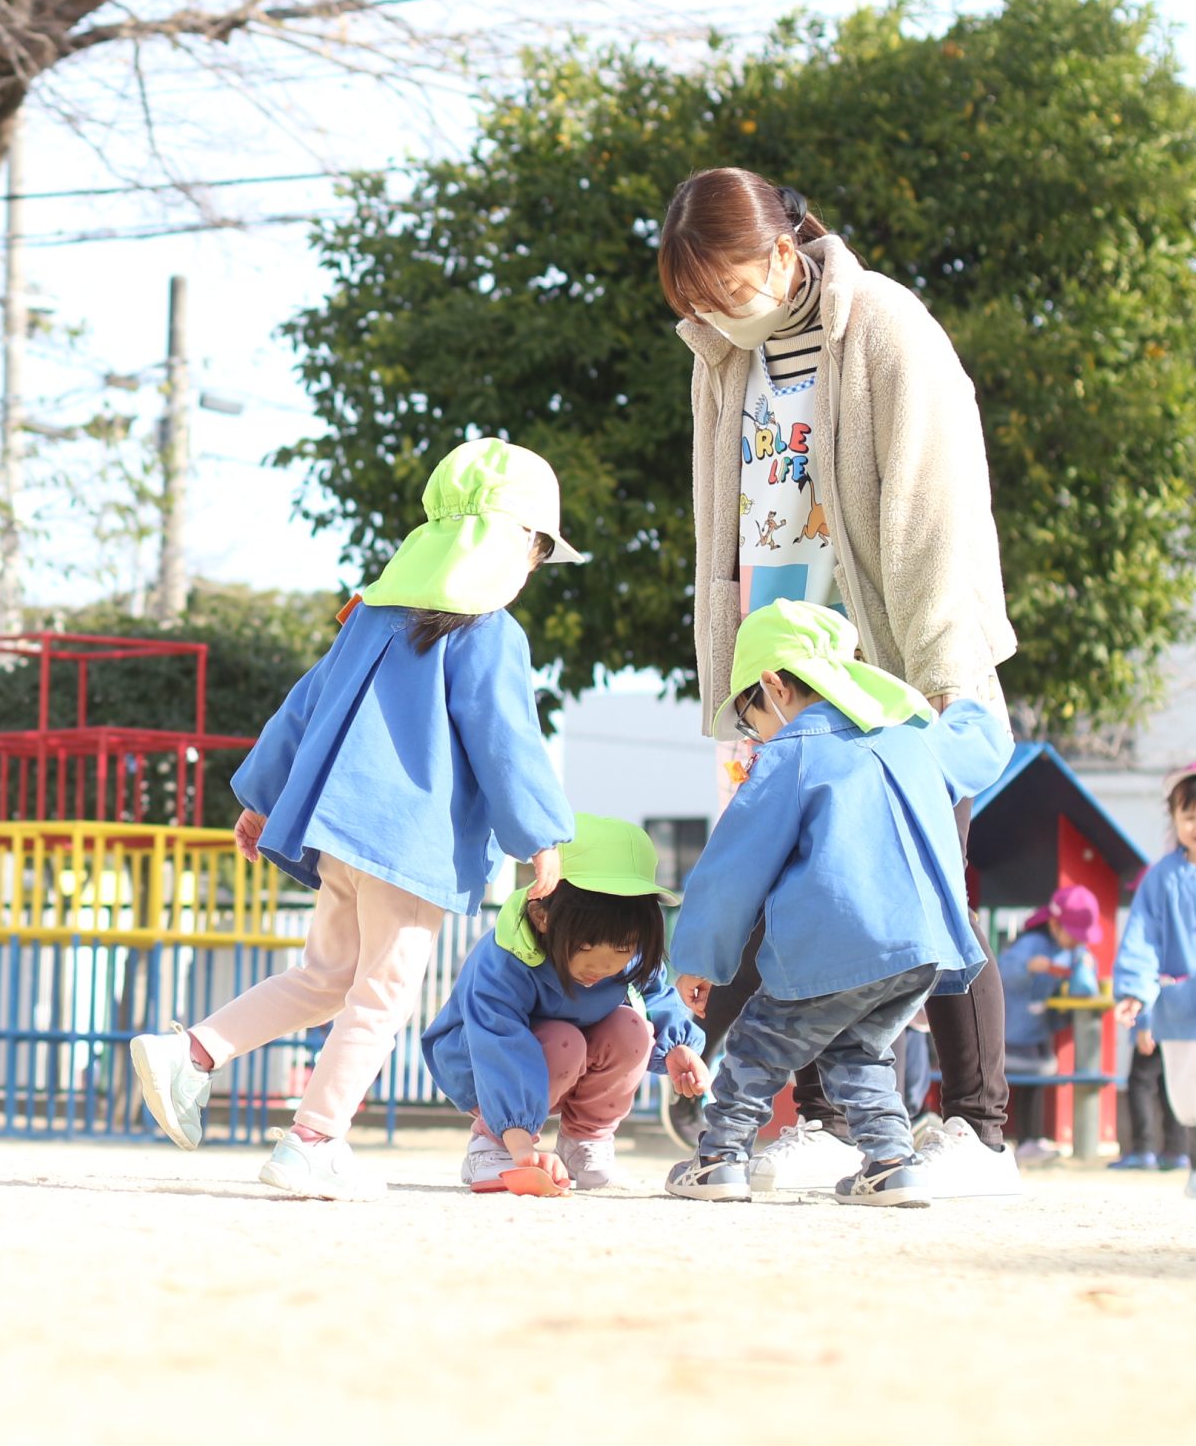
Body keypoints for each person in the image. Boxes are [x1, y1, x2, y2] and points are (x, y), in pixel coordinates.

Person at [662, 166, 1022, 1200]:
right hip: (783, 666)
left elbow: (935, 511)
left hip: (890, 668)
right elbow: (718, 526)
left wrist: (945, 678)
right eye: (690, 299)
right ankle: (826, 1123)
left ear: (781, 253)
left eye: (721, 288)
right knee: (802, 892)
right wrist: (733, 681)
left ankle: (977, 1127)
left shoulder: (886, 330)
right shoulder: (719, 358)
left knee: (921, 889)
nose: (708, 313)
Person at [128, 439, 582, 1201]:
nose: (534, 564)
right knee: (381, 992)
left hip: (338, 830)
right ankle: (312, 1140)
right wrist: (541, 839)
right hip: (408, 842)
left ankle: (195, 1054)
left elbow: (304, 705)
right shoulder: (489, 632)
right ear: (512, 543)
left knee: (327, 976)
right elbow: (507, 739)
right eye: (536, 546)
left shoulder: (372, 613)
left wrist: (264, 796)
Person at [664, 601, 1010, 1208]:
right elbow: (983, 744)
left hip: (836, 943)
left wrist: (700, 960)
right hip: (923, 951)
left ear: (773, 686)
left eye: (748, 718)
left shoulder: (790, 754)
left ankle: (719, 1157)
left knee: (758, 1044)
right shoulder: (914, 736)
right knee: (859, 1050)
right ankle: (891, 1163)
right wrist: (965, 693)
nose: (754, 734)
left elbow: (731, 872)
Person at [421, 815, 709, 1192]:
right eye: (587, 948)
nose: (602, 968)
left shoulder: (630, 956)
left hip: (570, 1061)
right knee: (563, 1039)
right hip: (482, 1062)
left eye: (622, 950)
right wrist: (518, 1140)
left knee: (632, 1028)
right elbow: (496, 1038)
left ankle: (584, 1142)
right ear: (543, 916)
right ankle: (490, 1144)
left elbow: (654, 998)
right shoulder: (507, 960)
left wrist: (678, 1047)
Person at [1111, 764, 1196, 1200]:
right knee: (1191, 1094)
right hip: (1184, 1007)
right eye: (1190, 816)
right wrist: (1136, 991)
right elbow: (1143, 938)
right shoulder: (1161, 879)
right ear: (1173, 819)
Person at [998, 886, 1101, 1160]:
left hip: (1036, 1034)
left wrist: (1087, 969)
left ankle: (1031, 1139)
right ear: (1055, 925)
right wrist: (1029, 967)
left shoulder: (1073, 952)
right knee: (1010, 1084)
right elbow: (1001, 971)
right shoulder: (1031, 945)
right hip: (1012, 1034)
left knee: (1035, 1084)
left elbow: (1082, 984)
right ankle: (1009, 1139)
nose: (1078, 942)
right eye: (1074, 935)